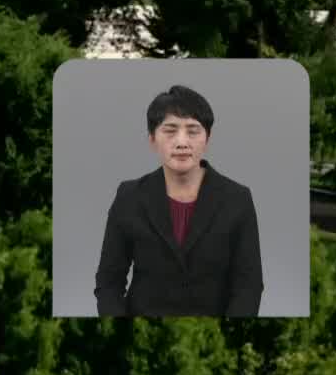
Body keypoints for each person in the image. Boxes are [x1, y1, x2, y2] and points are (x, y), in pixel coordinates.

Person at [94, 85, 262, 316]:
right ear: (152, 139)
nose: (182, 142)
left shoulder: (237, 199)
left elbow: (249, 285)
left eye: (193, 131)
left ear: (208, 138)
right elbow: (108, 282)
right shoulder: (129, 196)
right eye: (170, 130)